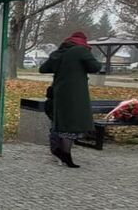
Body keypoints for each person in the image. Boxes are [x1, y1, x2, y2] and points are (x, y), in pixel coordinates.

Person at [39, 31, 102, 168]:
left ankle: (58, 150)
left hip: (58, 94)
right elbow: (95, 67)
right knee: (71, 125)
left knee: (60, 124)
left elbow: (43, 69)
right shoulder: (80, 50)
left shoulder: (59, 52)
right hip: (74, 95)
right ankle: (65, 154)